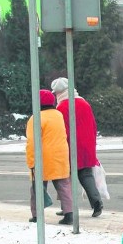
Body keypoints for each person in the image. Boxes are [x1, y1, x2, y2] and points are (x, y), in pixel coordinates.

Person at [51, 77, 103, 217]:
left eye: (56, 93)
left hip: (69, 146)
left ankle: (66, 207)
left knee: (64, 178)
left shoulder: (61, 107)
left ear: (59, 93)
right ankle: (96, 202)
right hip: (87, 145)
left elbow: (61, 130)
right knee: (86, 175)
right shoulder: (84, 103)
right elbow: (93, 125)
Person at [26, 89, 73, 225]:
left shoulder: (35, 118)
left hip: (43, 158)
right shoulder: (58, 115)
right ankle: (69, 214)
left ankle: (37, 215)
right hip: (61, 155)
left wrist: (31, 161)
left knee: (37, 188)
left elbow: (32, 142)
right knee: (64, 186)